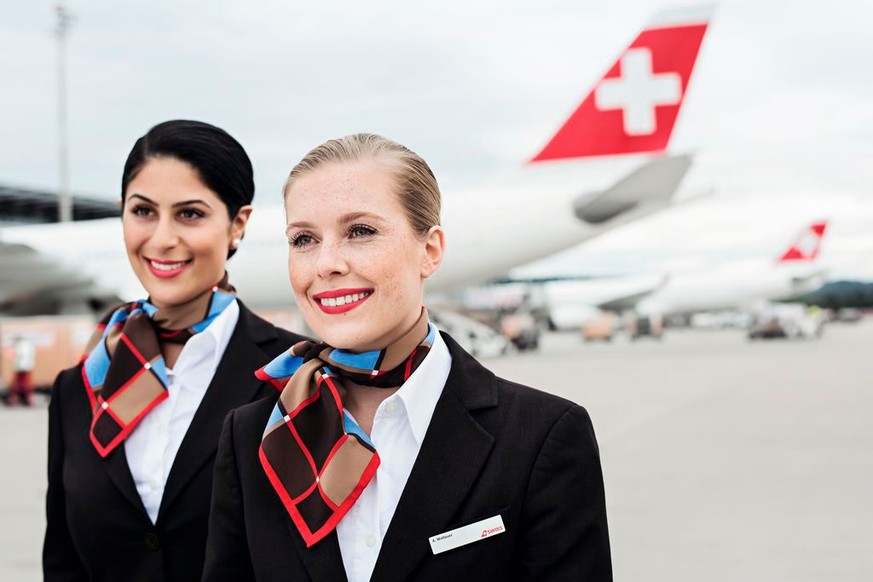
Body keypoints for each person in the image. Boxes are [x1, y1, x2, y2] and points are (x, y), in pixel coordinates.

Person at [203, 133, 611, 581]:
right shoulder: (251, 436)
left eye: (360, 231)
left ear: (430, 250)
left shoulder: (541, 436)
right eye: (303, 239)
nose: (326, 263)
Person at [43, 120, 308, 582]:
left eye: (190, 214)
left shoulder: (294, 373)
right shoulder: (79, 386)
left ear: (237, 224)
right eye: (143, 211)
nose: (162, 238)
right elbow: (64, 563)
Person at [6, 335, 36, 406]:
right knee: (24, 385)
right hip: (26, 367)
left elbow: (18, 355)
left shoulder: (21, 345)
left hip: (21, 367)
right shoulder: (28, 345)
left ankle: (19, 398)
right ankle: (26, 398)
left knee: (19, 385)